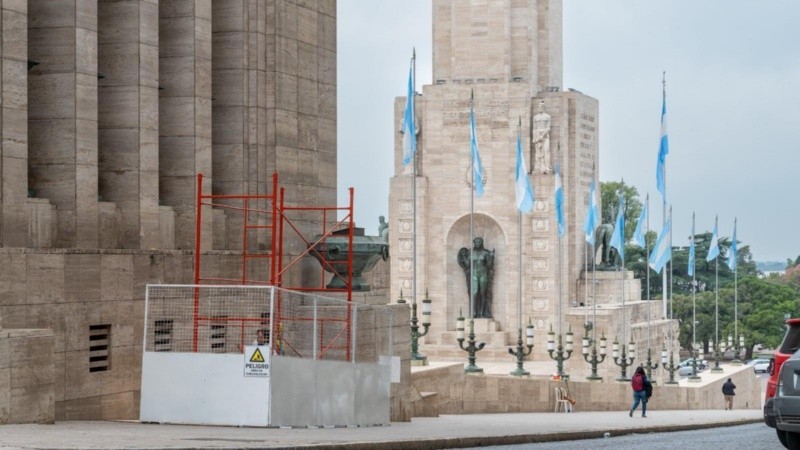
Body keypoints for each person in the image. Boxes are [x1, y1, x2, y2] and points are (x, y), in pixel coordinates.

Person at [457, 237, 495, 318]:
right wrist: (463, 256)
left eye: (479, 242)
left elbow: (489, 266)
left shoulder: (485, 253)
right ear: (474, 243)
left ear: (482, 243)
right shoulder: (471, 253)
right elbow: (467, 265)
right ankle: (473, 311)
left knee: (482, 293)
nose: (478, 243)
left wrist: (491, 257)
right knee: (474, 293)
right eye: (476, 242)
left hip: (483, 274)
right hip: (474, 274)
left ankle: (482, 311)